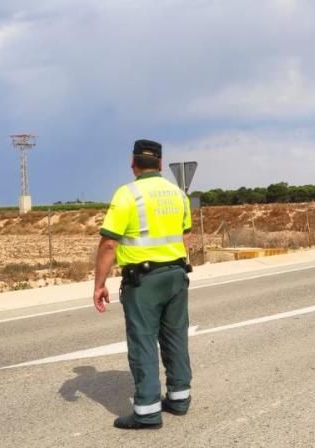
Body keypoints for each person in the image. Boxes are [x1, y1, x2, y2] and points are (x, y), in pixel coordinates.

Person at [92, 139, 193, 430]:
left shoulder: (127, 195)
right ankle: (179, 399)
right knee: (175, 337)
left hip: (143, 281)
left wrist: (99, 284)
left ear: (133, 163)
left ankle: (147, 411)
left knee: (143, 342)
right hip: (176, 275)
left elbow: (109, 243)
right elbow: (185, 236)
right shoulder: (178, 194)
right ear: (160, 164)